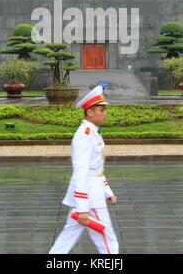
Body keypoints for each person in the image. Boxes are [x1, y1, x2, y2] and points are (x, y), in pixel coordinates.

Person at [49, 85, 119, 254]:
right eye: (101, 110)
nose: (105, 113)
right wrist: (83, 208)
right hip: (90, 197)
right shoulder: (85, 135)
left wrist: (107, 191)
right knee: (109, 243)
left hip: (91, 194)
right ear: (90, 112)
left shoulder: (93, 133)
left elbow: (96, 169)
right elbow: (81, 172)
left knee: (66, 240)